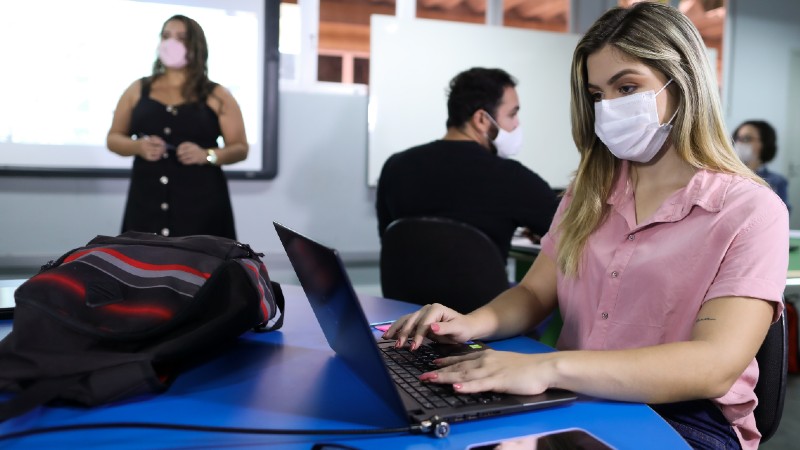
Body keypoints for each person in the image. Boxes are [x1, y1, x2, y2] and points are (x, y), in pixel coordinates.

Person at [383, 3, 788, 450]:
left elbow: (714, 365)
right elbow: (534, 294)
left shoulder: (751, 210)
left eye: (627, 87)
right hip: (576, 390)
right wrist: (468, 325)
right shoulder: (587, 193)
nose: (608, 108)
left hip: (682, 417)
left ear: (684, 83)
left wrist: (547, 368)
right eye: (597, 95)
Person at [375, 67, 559, 260]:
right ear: (481, 120)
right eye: (512, 115)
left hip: (403, 290)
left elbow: (388, 240)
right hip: (490, 292)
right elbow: (573, 231)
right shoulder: (510, 176)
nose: (516, 125)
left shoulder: (395, 167)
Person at [107, 15, 248, 239]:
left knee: (203, 269)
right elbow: (114, 138)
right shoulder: (138, 89)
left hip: (202, 208)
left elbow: (240, 147)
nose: (171, 43)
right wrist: (138, 147)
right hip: (146, 203)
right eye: (166, 36)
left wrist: (207, 155)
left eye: (181, 37)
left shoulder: (217, 94)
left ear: (196, 45)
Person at [733, 120, 790, 211]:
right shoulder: (728, 176)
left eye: (747, 138)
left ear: (764, 144)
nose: (740, 143)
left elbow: (782, 216)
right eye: (737, 138)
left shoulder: (777, 181)